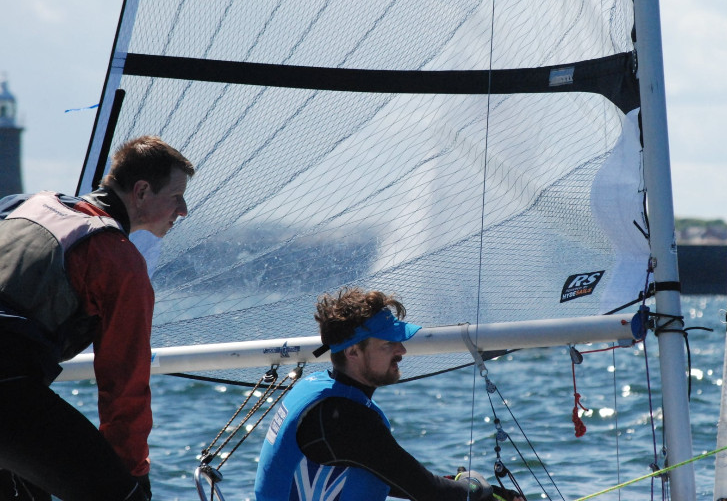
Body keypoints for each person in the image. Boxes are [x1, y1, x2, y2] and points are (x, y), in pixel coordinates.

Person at [0, 135, 194, 501]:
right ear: (141, 192)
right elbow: (123, 382)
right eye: (176, 197)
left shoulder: (25, 203)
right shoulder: (118, 261)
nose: (183, 209)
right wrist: (135, 478)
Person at [254, 287, 523, 501]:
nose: (401, 350)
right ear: (353, 352)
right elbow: (430, 492)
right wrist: (476, 488)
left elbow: (389, 473)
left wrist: (459, 485)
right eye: (388, 343)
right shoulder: (342, 419)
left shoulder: (320, 391)